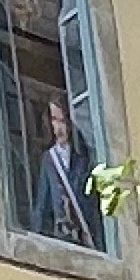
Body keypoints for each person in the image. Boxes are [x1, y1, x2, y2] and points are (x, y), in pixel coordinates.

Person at [27, 93, 104, 246]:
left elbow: (92, 205)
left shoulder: (83, 161)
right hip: (62, 238)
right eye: (54, 120)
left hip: (85, 238)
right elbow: (42, 204)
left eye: (62, 121)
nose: (59, 127)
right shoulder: (49, 160)